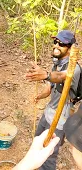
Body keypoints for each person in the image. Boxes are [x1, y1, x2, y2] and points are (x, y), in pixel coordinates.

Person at [25, 30, 80, 170]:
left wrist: (45, 74)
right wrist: (39, 96)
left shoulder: (74, 67)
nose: (56, 45)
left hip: (59, 118)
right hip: (48, 113)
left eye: (61, 44)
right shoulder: (58, 63)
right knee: (38, 141)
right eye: (55, 42)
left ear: (69, 48)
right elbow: (50, 87)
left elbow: (61, 76)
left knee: (48, 156)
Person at [14, 104, 82, 170]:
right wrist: (28, 164)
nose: (72, 145)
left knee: (49, 154)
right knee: (40, 143)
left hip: (58, 122)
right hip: (48, 114)